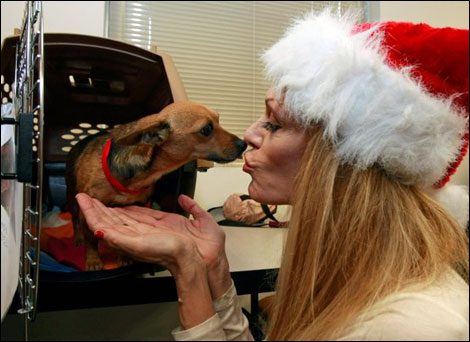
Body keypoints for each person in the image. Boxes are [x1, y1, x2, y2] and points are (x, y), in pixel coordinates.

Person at [76, 9, 469, 341]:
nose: (249, 134)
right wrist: (208, 267)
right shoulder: (336, 261)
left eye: (275, 124)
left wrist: (190, 278)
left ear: (345, 157)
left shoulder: (416, 326)